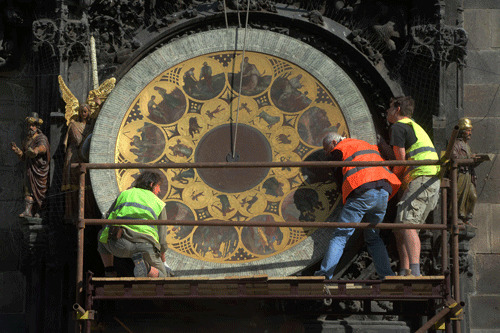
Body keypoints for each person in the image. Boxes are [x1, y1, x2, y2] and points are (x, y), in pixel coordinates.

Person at [314, 132, 401, 279]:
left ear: (335, 142)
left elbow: (339, 179)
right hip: (383, 192)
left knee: (340, 236)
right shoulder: (365, 144)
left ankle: (324, 274)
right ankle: (386, 275)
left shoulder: (339, 150)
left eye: (327, 149)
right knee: (374, 238)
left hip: (363, 191)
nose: (327, 153)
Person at [386, 96, 440, 276]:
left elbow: (400, 161)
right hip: (428, 179)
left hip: (421, 177)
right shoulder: (414, 126)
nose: (387, 111)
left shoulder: (398, 127)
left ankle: (415, 272)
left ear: (398, 109)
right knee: (401, 226)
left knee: (407, 223)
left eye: (389, 108)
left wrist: (390, 181)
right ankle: (405, 270)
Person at [97, 171, 174, 277]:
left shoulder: (125, 194)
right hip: (146, 246)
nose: (159, 190)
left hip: (121, 245)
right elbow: (162, 240)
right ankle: (146, 268)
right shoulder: (159, 203)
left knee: (102, 236)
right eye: (158, 186)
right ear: (151, 184)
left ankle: (109, 271)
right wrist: (164, 262)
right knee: (163, 277)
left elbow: (107, 219)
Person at [10, 112, 50, 218]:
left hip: (39, 169)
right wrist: (17, 151)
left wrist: (35, 151)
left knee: (40, 190)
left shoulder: (41, 137)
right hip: (29, 168)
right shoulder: (26, 140)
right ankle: (28, 211)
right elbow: (23, 157)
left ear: (37, 127)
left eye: (33, 125)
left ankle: (40, 210)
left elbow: (43, 148)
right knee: (28, 189)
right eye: (29, 125)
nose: (31, 127)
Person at [61, 104, 92, 219]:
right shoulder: (73, 125)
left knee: (86, 184)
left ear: (89, 113)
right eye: (80, 111)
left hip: (85, 157)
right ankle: (71, 212)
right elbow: (77, 141)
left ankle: (86, 213)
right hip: (73, 155)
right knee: (72, 183)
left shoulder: (91, 127)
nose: (82, 114)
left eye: (85, 111)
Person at [451, 117, 477, 226]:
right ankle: (458, 217)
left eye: (470, 130)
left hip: (468, 174)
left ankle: (467, 216)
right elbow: (453, 157)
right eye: (468, 130)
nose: (470, 133)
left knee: (473, 196)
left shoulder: (467, 145)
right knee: (459, 195)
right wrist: (469, 159)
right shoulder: (456, 143)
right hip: (460, 174)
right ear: (462, 131)